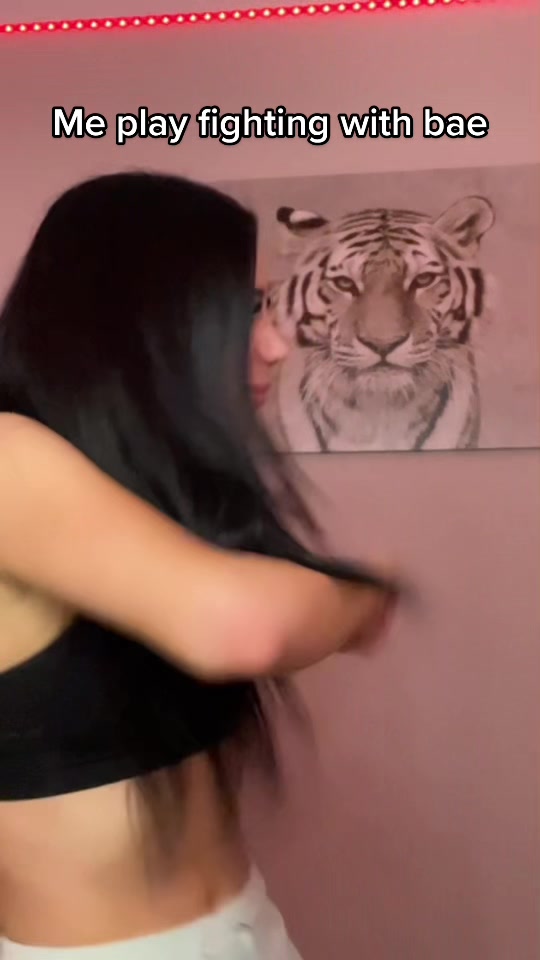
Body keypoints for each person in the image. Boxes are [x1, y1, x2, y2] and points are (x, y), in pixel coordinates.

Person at [0, 172, 398, 959]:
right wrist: (365, 597)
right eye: (249, 309)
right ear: (143, 316)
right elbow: (242, 627)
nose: (278, 344)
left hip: (247, 926)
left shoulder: (140, 491)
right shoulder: (7, 457)